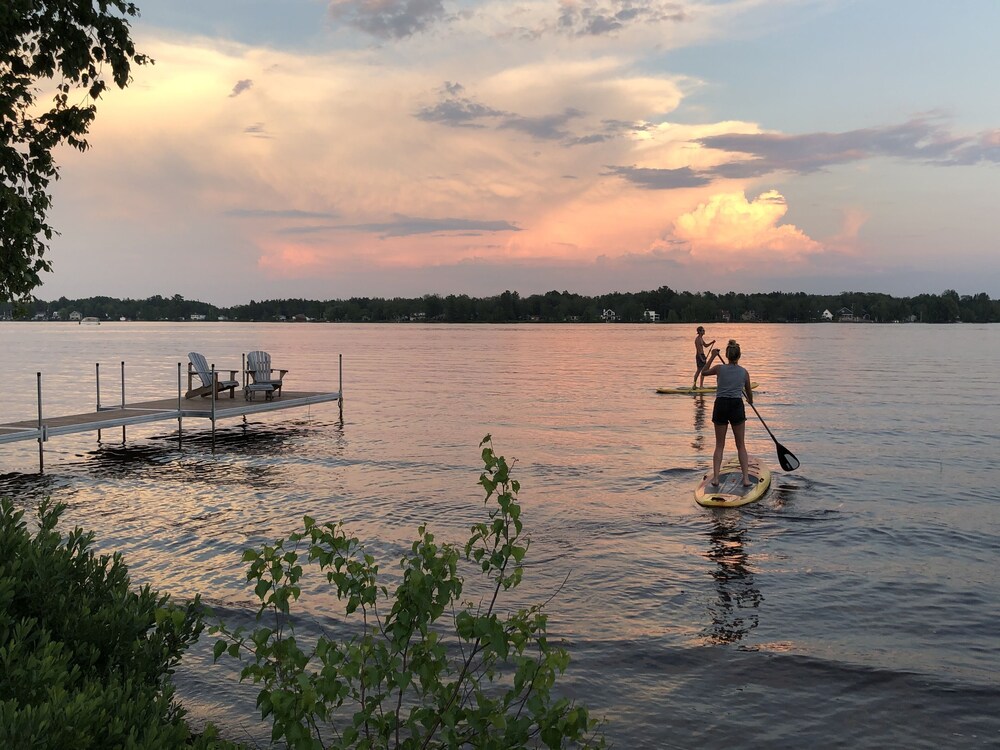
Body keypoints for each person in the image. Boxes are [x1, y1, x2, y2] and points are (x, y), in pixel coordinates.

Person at [702, 339, 754, 487]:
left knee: (719, 445)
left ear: (727, 355)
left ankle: (716, 478)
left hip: (721, 405)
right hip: (736, 406)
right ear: (739, 356)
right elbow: (749, 392)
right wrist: (750, 400)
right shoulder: (744, 372)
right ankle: (745, 479)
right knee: (741, 445)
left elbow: (704, 372)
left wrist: (712, 356)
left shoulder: (719, 368)